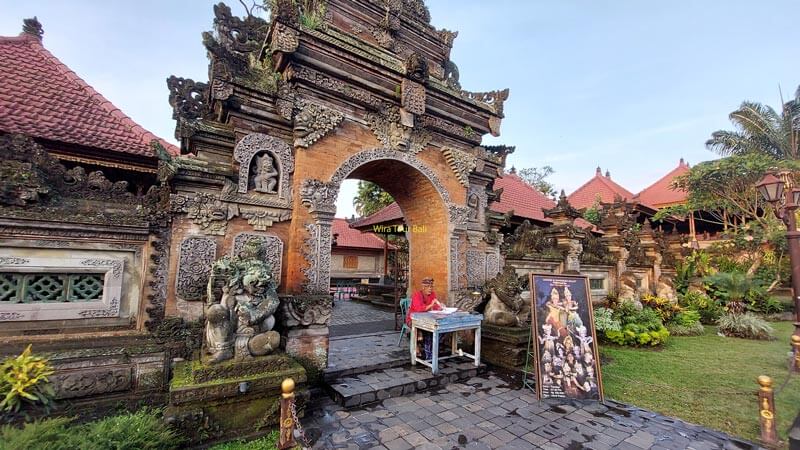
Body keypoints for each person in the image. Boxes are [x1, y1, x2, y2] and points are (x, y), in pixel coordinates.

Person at [407, 277, 443, 360]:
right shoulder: (416, 295)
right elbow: (419, 309)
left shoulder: (432, 294)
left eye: (431, 287)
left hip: (427, 318)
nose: (430, 289)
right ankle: (422, 347)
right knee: (426, 331)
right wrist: (431, 305)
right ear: (423, 287)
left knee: (437, 329)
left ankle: (429, 350)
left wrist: (440, 307)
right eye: (428, 287)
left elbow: (436, 306)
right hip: (413, 319)